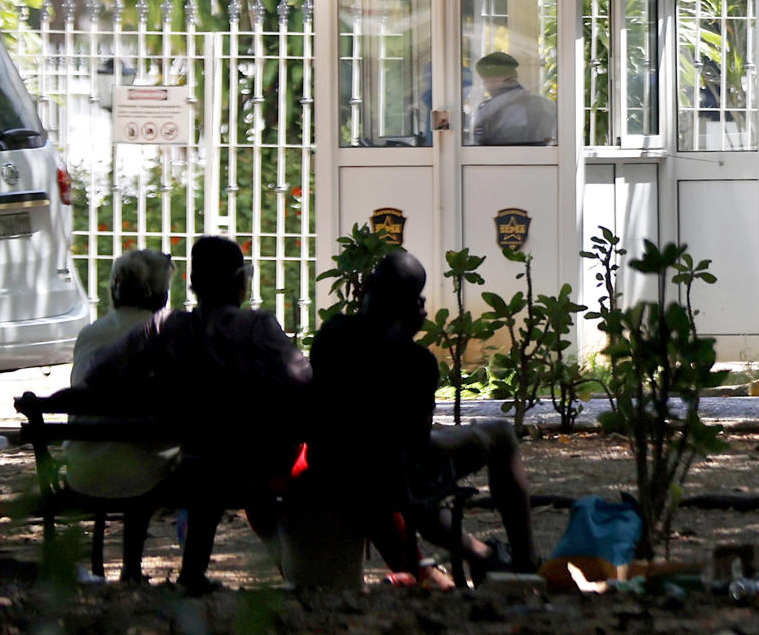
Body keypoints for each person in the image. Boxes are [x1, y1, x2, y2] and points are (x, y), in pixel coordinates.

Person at [82, 235, 312, 594]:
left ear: (191, 284)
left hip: (193, 463)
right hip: (253, 461)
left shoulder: (165, 328)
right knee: (237, 462)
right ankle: (294, 569)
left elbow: (99, 372)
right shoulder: (258, 327)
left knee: (208, 463)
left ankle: (195, 572)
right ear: (241, 282)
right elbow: (302, 381)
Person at [306, 250, 538, 589]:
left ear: (366, 290)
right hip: (389, 475)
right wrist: (407, 337)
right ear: (412, 305)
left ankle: (484, 555)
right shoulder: (416, 361)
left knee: (396, 464)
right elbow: (415, 442)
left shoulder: (331, 335)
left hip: (331, 467)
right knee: (498, 435)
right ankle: (525, 560)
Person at [63, 248, 181, 583]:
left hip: (85, 469)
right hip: (146, 471)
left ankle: (116, 567)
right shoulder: (168, 333)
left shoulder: (91, 334)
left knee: (128, 448)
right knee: (146, 453)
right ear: (160, 292)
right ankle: (132, 567)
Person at [471, 52, 556, 145]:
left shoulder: (488, 110)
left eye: (486, 81)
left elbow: (480, 147)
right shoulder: (547, 105)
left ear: (502, 79)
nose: (486, 86)